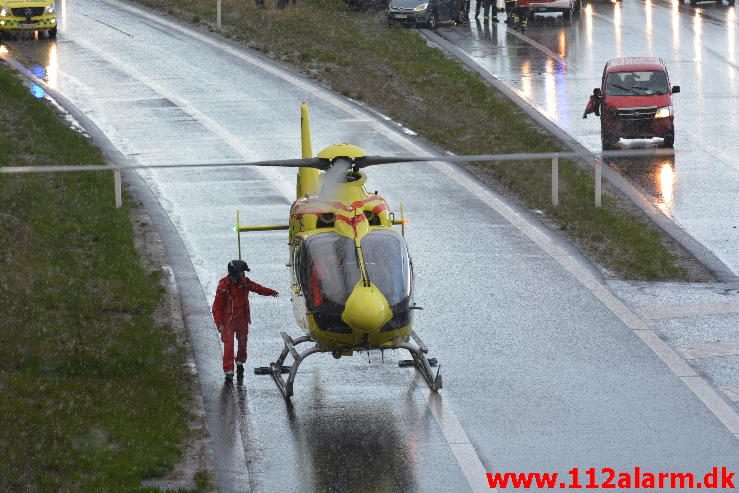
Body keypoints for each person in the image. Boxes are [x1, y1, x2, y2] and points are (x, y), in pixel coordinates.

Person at [212, 259, 279, 382]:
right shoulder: (223, 286)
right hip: (229, 321)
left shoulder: (245, 283)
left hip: (242, 318)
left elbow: (258, 288)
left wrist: (271, 292)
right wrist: (219, 324)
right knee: (229, 346)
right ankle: (228, 371)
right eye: (242, 272)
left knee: (243, 343)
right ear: (235, 274)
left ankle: (240, 362)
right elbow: (216, 307)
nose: (244, 275)